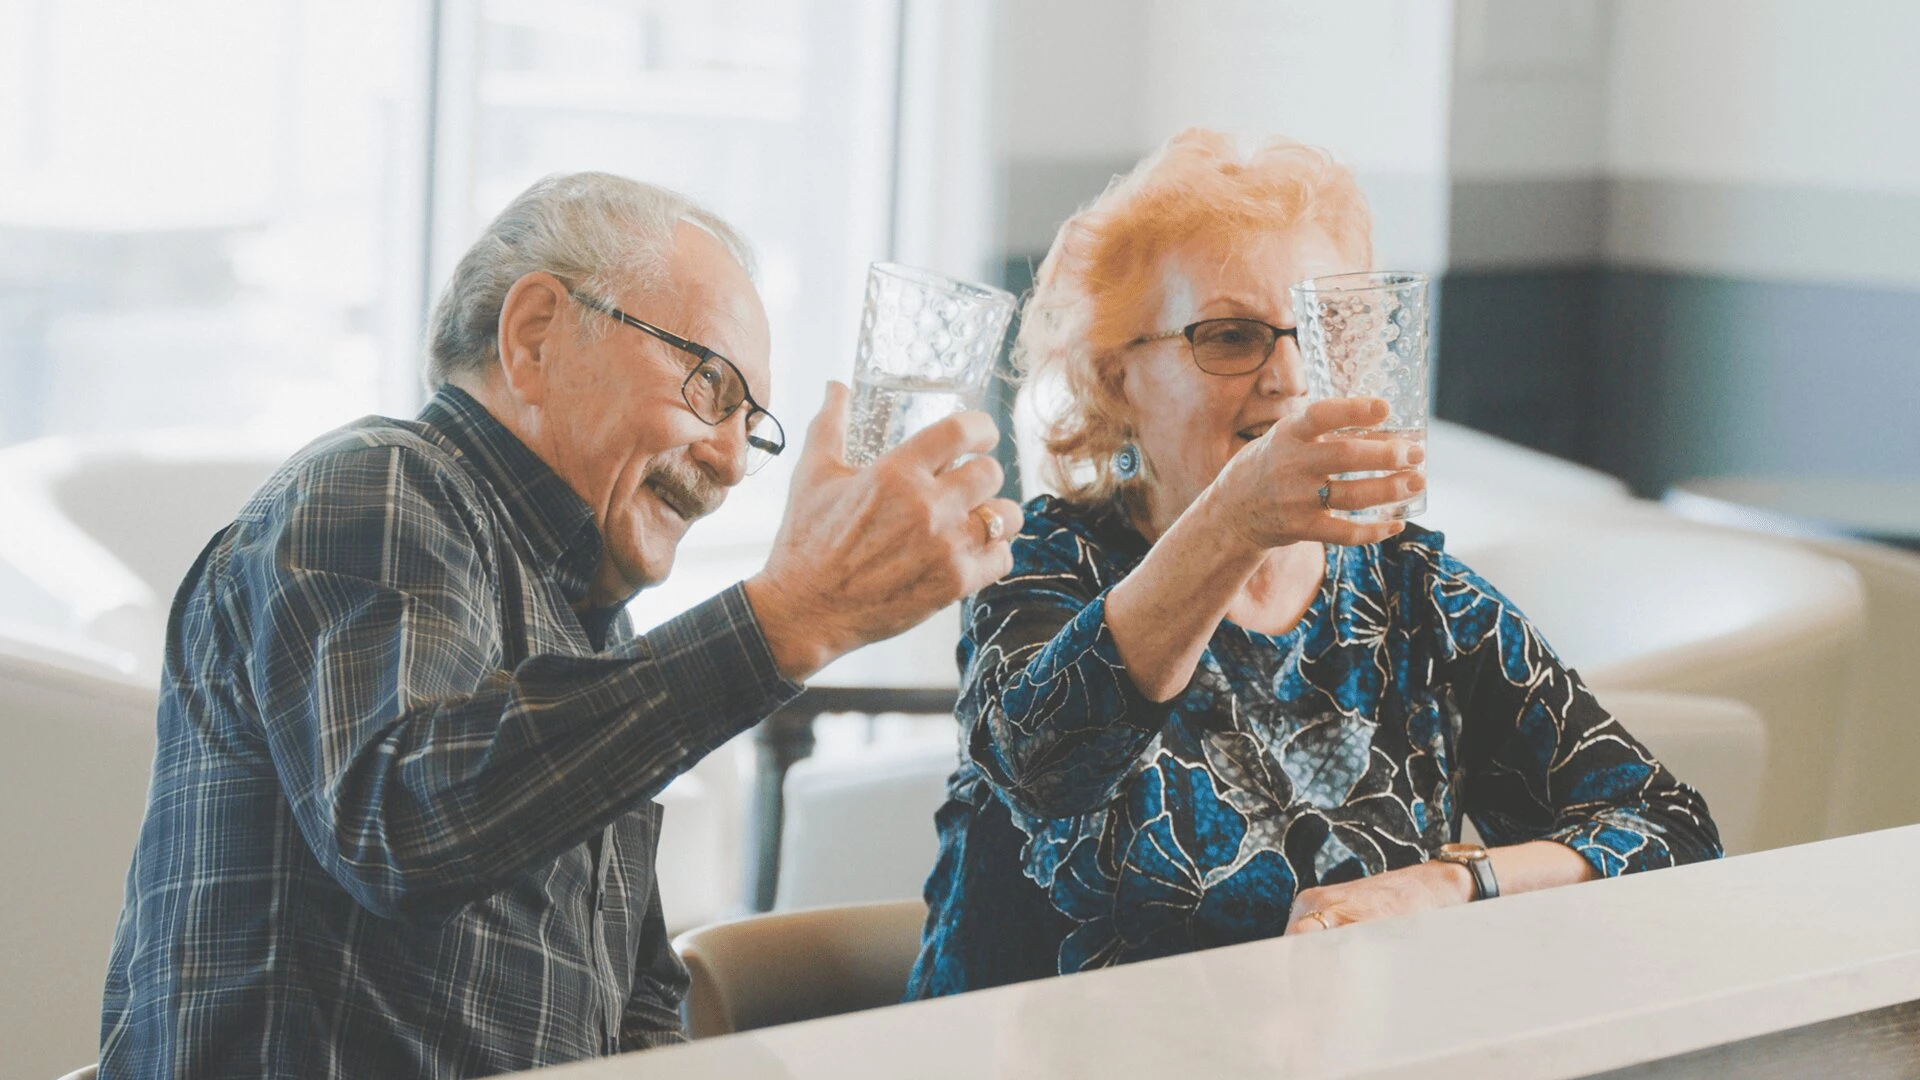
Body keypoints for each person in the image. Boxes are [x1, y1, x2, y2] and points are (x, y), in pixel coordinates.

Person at [100, 172, 1022, 1078]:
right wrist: (789, 617)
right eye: (710, 387)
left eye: (752, 424)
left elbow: (638, 1004)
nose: (733, 460)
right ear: (536, 335)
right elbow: (405, 828)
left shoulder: (594, 635)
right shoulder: (381, 486)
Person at [906, 130, 1721, 998]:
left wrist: (1453, 883)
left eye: (1323, 329)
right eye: (1230, 337)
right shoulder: (1041, 563)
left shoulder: (1412, 594)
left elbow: (1669, 830)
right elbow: (1042, 759)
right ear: (1117, 382)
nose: (1289, 376)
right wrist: (1233, 522)